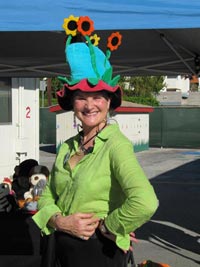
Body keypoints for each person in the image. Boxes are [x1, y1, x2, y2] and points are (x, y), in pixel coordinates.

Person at [33, 15, 158, 267]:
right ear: (72, 103)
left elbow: (145, 201)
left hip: (97, 253)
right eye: (81, 97)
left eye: (98, 96)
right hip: (59, 249)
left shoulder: (115, 144)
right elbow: (47, 194)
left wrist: (110, 226)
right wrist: (59, 220)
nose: (89, 105)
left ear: (109, 102)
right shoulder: (68, 146)